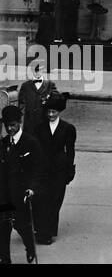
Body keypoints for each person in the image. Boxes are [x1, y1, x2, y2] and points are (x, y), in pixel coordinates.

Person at [1, 104, 43, 263]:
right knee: (3, 228)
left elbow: (39, 168)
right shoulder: (3, 143)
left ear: (19, 123)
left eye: (13, 125)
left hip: (21, 192)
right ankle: (4, 259)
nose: (10, 128)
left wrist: (32, 187)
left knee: (21, 225)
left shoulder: (30, 142)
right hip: (4, 194)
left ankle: (30, 247)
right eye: (7, 126)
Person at [33, 92, 74, 245]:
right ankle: (42, 232)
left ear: (59, 112)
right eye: (48, 111)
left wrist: (70, 170)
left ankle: (48, 231)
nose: (50, 114)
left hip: (59, 169)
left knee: (55, 200)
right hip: (43, 169)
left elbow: (70, 151)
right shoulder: (39, 128)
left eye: (54, 112)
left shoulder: (68, 128)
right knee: (42, 199)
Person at [17, 61, 57, 135]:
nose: (37, 72)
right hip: (29, 124)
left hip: (44, 122)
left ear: (43, 69)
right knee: (28, 144)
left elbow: (56, 103)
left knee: (43, 144)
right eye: (35, 70)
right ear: (32, 70)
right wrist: (18, 120)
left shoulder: (50, 85)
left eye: (39, 70)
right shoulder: (25, 86)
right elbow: (21, 106)